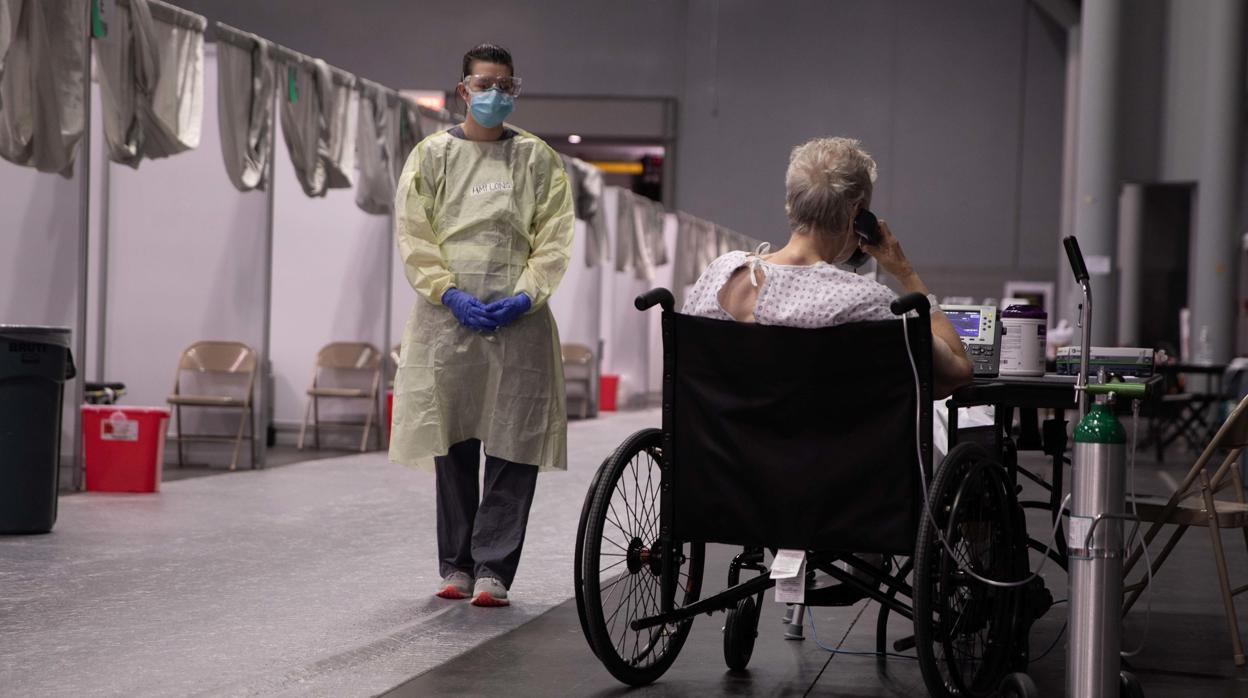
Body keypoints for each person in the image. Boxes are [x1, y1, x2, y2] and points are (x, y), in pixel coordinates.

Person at [390, 44, 574, 608]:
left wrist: (525, 295)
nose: (494, 95)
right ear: (462, 89)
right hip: (448, 323)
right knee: (454, 440)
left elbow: (554, 237)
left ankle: (494, 567)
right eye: (483, 84)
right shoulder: (431, 156)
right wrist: (448, 291)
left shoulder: (539, 160)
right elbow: (414, 235)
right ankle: (457, 565)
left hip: (518, 325)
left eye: (505, 85)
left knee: (514, 444)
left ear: (513, 90)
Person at [683, 136, 972, 399]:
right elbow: (957, 373)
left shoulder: (718, 273)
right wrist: (906, 273)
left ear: (791, 202)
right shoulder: (865, 302)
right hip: (821, 455)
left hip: (721, 452)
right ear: (858, 216)